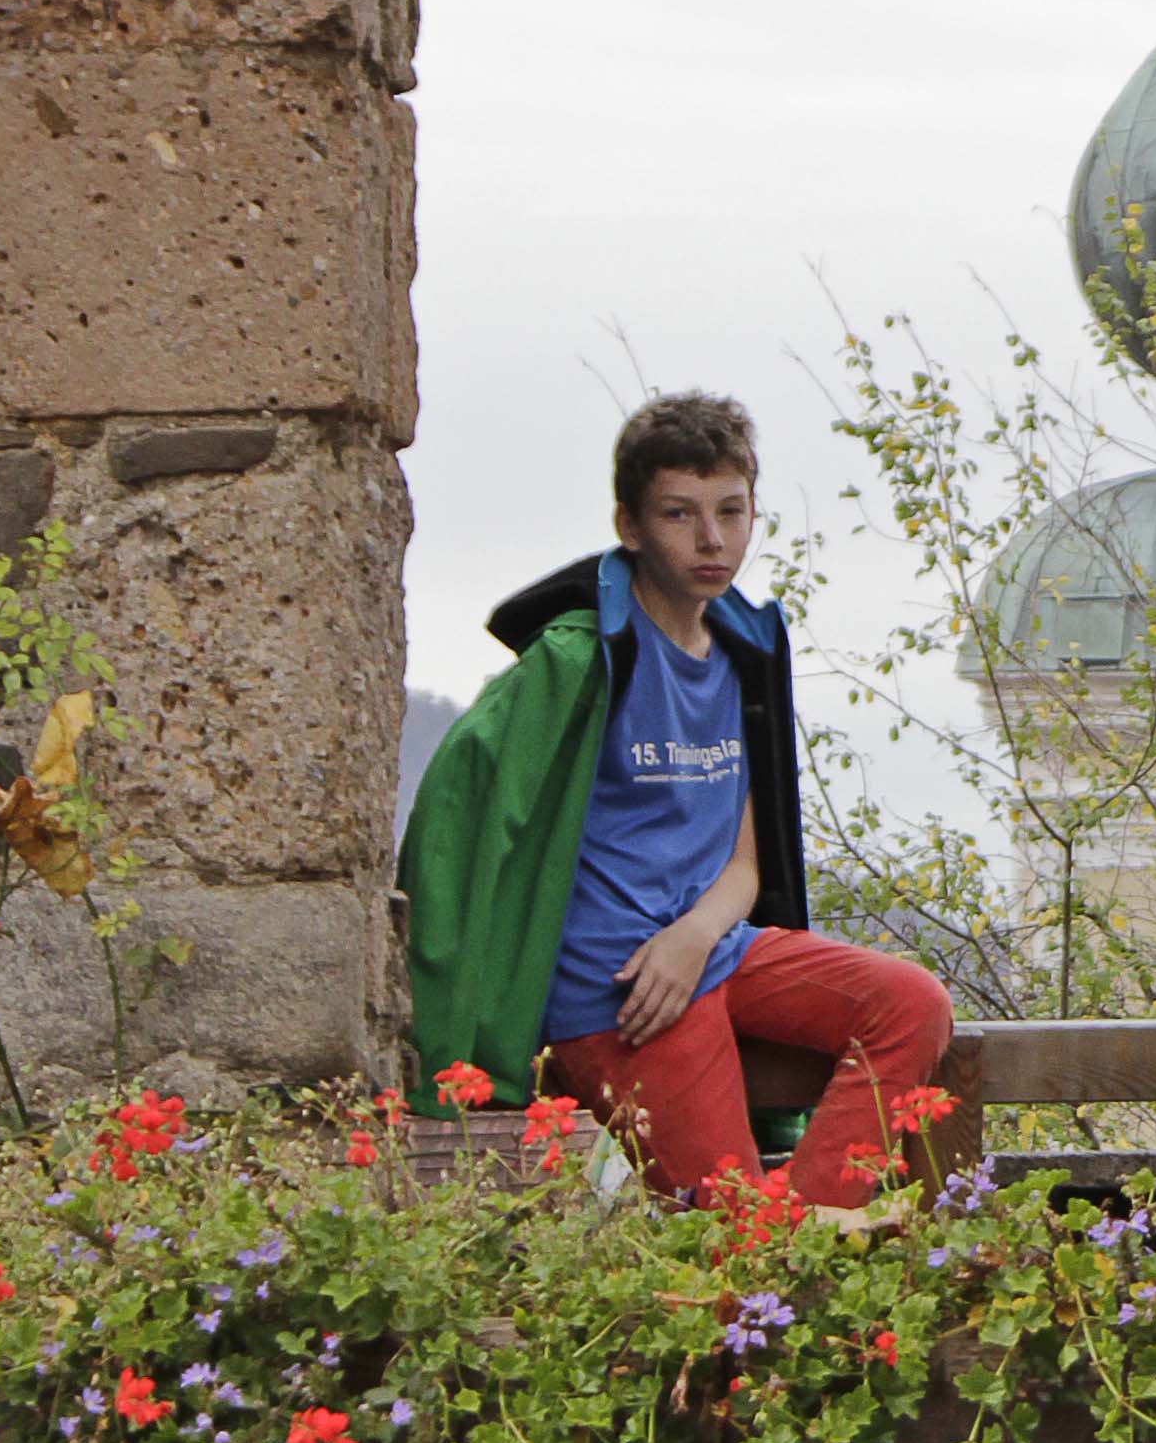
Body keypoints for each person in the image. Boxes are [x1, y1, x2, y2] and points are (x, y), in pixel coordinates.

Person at [398, 390, 956, 1209]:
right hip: (618, 990)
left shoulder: (741, 656)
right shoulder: (580, 660)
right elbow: (462, 811)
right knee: (734, 1216)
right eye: (679, 514)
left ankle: (810, 1235)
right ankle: (788, 1254)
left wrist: (694, 936)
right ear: (629, 526)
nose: (711, 539)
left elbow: (745, 864)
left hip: (712, 948)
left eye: (731, 511)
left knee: (911, 1004)